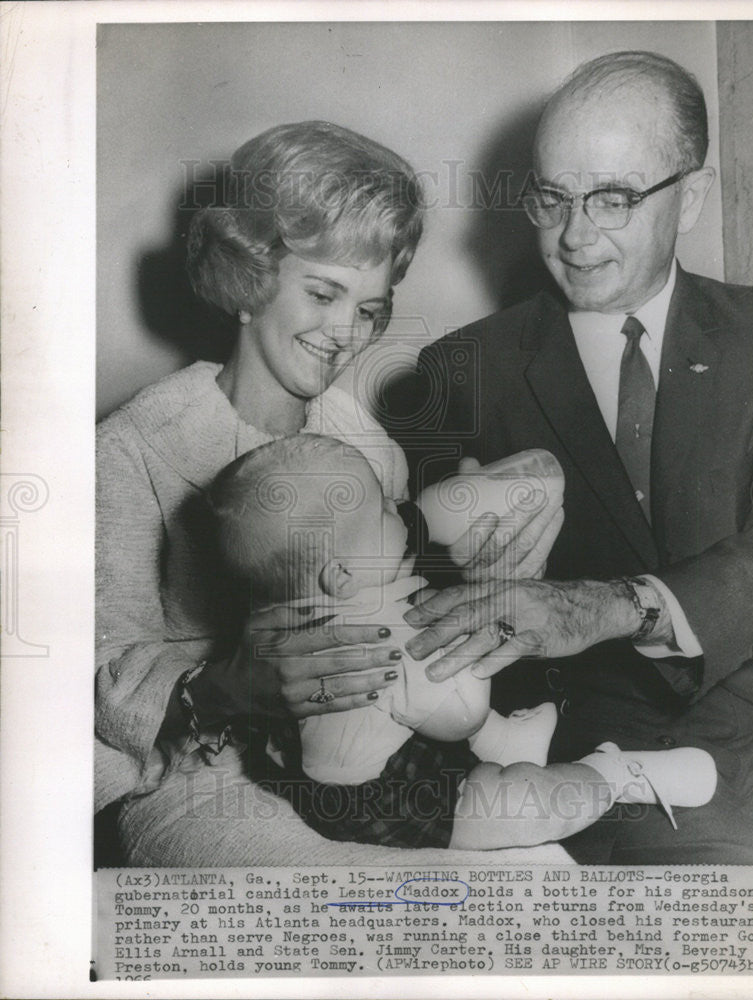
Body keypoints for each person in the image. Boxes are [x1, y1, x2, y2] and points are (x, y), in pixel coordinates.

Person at [96, 120, 563, 867]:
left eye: (370, 308)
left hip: (384, 758)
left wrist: (492, 569)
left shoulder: (367, 442)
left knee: (524, 876)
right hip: (194, 778)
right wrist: (223, 687)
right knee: (353, 907)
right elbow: (85, 681)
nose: (347, 332)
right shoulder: (128, 452)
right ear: (249, 279)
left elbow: (401, 610)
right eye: (323, 292)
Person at [383, 51, 753, 863]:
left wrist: (602, 606)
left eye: (613, 198)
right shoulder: (461, 372)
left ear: (692, 196)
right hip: (608, 767)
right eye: (552, 199)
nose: (574, 236)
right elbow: (418, 603)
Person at [207, 433, 717, 850]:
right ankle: (614, 775)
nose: (399, 506)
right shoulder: (384, 641)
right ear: (341, 576)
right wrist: (478, 633)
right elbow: (458, 719)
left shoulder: (287, 605)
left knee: (421, 698)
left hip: (338, 746)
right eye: (384, 510)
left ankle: (507, 742)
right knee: (520, 807)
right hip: (372, 795)